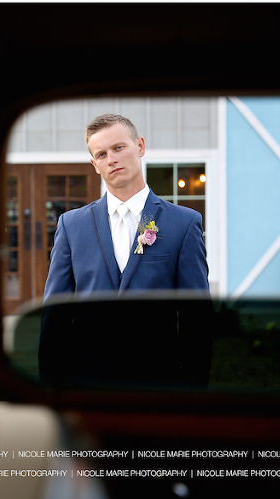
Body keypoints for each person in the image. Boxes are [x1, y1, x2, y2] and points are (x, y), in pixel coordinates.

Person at [39, 113, 211, 387]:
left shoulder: (184, 223)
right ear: (94, 164)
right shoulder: (71, 225)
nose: (112, 159)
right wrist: (50, 388)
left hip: (157, 384)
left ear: (140, 146)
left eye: (119, 147)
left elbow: (196, 318)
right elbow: (55, 315)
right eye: (102, 154)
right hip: (84, 383)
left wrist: (192, 392)